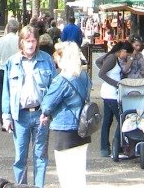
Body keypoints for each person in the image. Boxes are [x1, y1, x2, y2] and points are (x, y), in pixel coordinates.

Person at [1, 27, 56, 188]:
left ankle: (39, 186)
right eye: (27, 41)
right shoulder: (12, 62)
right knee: (20, 157)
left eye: (33, 41)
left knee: (40, 156)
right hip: (20, 116)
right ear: (21, 42)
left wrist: (49, 111)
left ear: (37, 42)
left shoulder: (46, 60)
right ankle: (21, 186)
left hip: (41, 115)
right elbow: (6, 91)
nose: (31, 45)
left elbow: (54, 89)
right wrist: (6, 116)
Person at [40, 41, 91, 188]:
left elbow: (47, 104)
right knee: (79, 175)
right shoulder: (84, 76)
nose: (55, 59)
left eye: (57, 56)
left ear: (64, 58)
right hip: (83, 129)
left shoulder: (61, 80)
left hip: (65, 130)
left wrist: (45, 114)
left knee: (66, 175)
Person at [96, 40, 130, 159]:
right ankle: (117, 144)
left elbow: (98, 62)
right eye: (127, 53)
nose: (126, 56)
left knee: (107, 120)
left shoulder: (112, 58)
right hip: (110, 94)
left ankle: (105, 147)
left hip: (108, 93)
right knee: (121, 119)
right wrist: (115, 83)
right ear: (122, 51)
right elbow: (101, 74)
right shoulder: (111, 58)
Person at [0, 19, 21, 128]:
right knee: (16, 94)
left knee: (3, 96)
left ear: (7, 28)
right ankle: (15, 119)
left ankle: (4, 121)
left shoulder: (1, 41)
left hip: (2, 70)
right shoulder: (19, 41)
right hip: (17, 70)